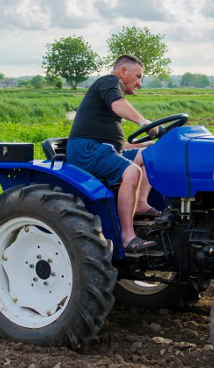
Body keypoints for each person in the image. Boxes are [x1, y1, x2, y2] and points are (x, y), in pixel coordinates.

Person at [66, 55, 159, 253]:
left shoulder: (107, 94)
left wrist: (147, 144)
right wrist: (144, 122)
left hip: (102, 149)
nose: (140, 84)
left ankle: (141, 203)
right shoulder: (109, 82)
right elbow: (118, 105)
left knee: (152, 155)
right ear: (123, 72)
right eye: (138, 77)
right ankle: (127, 237)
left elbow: (114, 144)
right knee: (132, 171)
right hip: (87, 150)